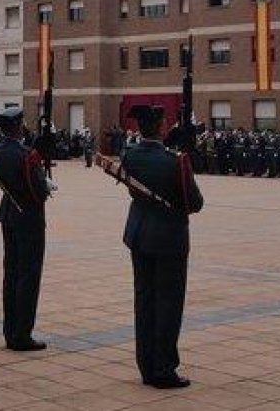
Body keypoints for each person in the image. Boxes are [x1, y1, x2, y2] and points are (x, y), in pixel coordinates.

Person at [120, 105, 204, 389]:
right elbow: (194, 203)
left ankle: (146, 365)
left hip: (138, 235)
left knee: (144, 301)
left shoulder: (129, 155)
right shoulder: (174, 161)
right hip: (168, 238)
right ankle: (163, 368)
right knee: (168, 302)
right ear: (161, 126)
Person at [0, 107, 51, 350]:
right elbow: (38, 192)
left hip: (9, 215)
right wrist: (46, 184)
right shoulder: (26, 154)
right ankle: (22, 333)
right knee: (28, 275)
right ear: (17, 126)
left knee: (11, 273)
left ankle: (10, 331)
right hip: (29, 217)